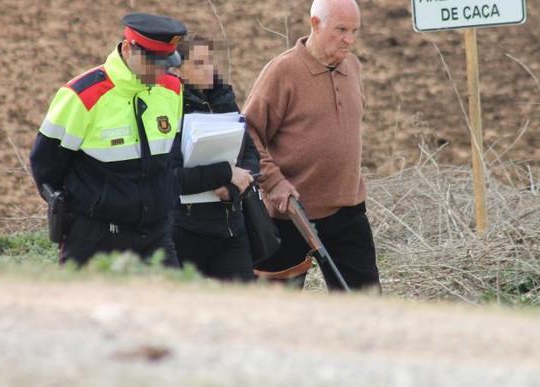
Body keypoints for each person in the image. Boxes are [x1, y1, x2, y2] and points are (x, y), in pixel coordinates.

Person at [29, 12, 187, 268]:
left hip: (155, 235)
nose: (160, 71)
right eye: (153, 62)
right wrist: (91, 202)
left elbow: (171, 152)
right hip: (95, 236)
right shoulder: (82, 94)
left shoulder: (172, 89)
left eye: (166, 63)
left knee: (172, 305)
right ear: (128, 49)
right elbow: (46, 164)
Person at [243, 0, 380, 291]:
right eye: (341, 30)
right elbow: (247, 134)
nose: (349, 40)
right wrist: (274, 182)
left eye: (355, 31)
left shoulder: (353, 66)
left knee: (364, 304)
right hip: (290, 214)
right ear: (315, 24)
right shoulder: (283, 71)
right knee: (274, 309)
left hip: (348, 210)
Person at [169, 36, 258, 281]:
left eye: (209, 61)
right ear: (178, 71)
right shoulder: (168, 108)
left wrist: (233, 186)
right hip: (184, 231)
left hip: (231, 228)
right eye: (198, 63)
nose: (208, 68)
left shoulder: (225, 101)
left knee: (241, 308)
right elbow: (171, 177)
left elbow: (250, 155)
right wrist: (225, 173)